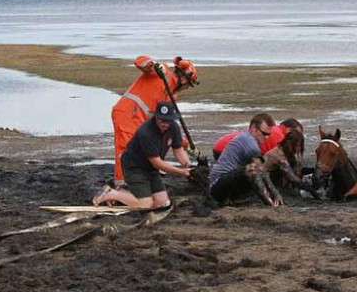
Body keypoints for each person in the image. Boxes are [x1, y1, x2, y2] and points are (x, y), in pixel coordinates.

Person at [111, 55, 199, 188]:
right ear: (183, 78)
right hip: (128, 114)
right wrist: (152, 65)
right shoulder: (163, 71)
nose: (186, 89)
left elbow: (169, 128)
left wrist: (186, 145)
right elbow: (140, 61)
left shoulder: (170, 96)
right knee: (126, 150)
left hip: (141, 121)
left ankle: (140, 179)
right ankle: (122, 186)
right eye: (188, 85)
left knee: (147, 149)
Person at [93, 102, 191, 209]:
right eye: (162, 120)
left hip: (151, 168)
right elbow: (157, 163)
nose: (165, 124)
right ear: (156, 117)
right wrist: (181, 172)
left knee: (162, 204)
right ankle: (111, 194)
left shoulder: (174, 128)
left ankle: (123, 192)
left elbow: (178, 150)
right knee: (146, 205)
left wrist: (187, 164)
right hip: (135, 167)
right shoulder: (146, 132)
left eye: (168, 120)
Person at [209, 113, 283, 206]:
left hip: (228, 182)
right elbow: (260, 170)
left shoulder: (247, 138)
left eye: (268, 134)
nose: (266, 137)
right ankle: (270, 203)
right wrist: (275, 193)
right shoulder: (249, 142)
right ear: (253, 128)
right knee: (253, 168)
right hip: (218, 186)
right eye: (264, 133)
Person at [212, 118, 303, 160]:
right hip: (227, 151)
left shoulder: (271, 129)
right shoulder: (280, 137)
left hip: (219, 146)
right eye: (298, 134)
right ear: (289, 130)